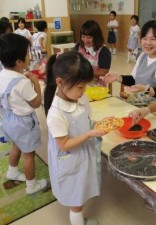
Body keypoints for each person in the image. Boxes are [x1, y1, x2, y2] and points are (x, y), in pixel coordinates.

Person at [44, 51, 106, 225]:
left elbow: (85, 119)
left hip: (82, 154)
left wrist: (95, 125)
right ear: (60, 83)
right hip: (70, 159)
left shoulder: (80, 98)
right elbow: (63, 144)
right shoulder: (56, 114)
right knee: (76, 201)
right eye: (80, 87)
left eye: (85, 86)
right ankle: (78, 221)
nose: (83, 91)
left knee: (81, 190)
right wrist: (88, 134)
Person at [0, 33, 47, 194]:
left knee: (16, 145)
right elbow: (36, 102)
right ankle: (32, 186)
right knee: (29, 155)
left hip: (9, 118)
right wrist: (35, 83)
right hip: (24, 122)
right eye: (27, 54)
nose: (29, 57)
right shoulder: (23, 82)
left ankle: (12, 171)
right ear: (19, 62)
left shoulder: (2, 74)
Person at [102, 20, 156, 102]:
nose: (148, 43)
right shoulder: (143, 56)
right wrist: (118, 77)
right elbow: (135, 79)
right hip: (140, 104)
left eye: (153, 39)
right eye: (145, 38)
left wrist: (146, 89)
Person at [73, 20, 111, 86]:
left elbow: (104, 72)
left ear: (96, 37)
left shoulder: (103, 51)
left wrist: (85, 72)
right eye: (83, 37)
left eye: (89, 37)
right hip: (79, 83)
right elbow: (72, 60)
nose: (86, 40)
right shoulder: (79, 46)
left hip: (96, 86)